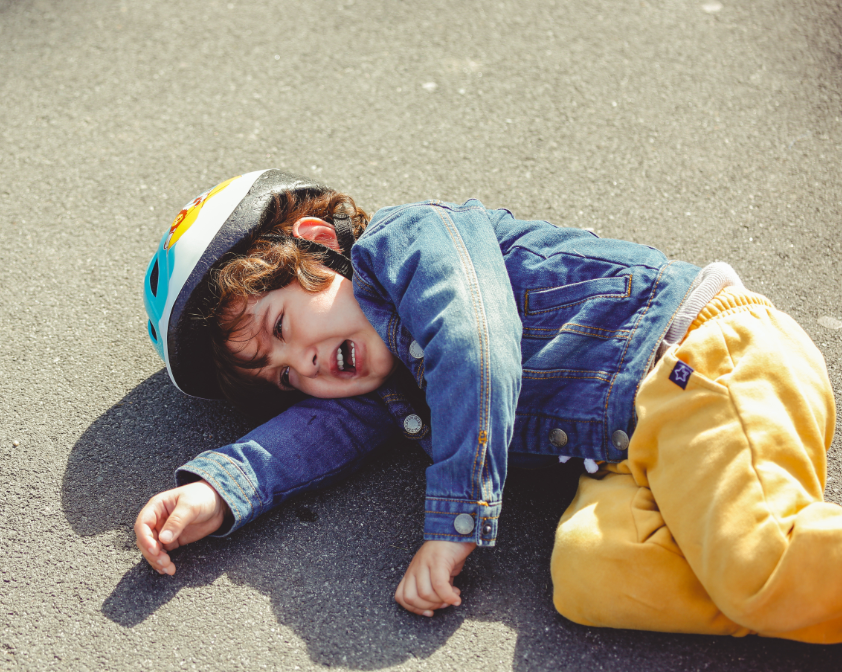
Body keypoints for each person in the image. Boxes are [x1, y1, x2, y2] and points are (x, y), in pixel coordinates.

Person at [135, 169, 840, 643]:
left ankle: (767, 577)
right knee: (594, 577)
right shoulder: (376, 380)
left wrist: (454, 519)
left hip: (702, 362)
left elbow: (475, 340)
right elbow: (316, 433)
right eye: (281, 377)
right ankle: (782, 587)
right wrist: (218, 492)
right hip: (632, 449)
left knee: (757, 564)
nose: (302, 365)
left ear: (318, 247)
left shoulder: (407, 242)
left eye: (282, 329)